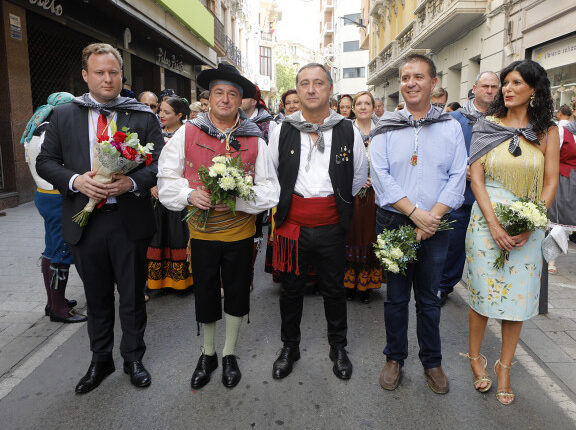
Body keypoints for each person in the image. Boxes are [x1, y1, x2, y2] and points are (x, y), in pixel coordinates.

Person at [36, 43, 164, 394]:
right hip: (84, 221)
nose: (107, 79)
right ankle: (100, 359)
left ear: (122, 75)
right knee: (96, 296)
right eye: (99, 72)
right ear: (85, 75)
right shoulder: (64, 115)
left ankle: (133, 358)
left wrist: (132, 181)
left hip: (129, 221)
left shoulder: (142, 116)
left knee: (132, 296)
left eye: (113, 72)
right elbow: (45, 162)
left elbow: (162, 166)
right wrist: (77, 181)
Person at [157, 63, 280, 389]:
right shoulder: (187, 132)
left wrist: (239, 198)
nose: (225, 99)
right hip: (202, 233)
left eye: (233, 94)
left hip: (241, 234)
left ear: (241, 100)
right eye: (219, 93)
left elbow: (270, 190)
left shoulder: (255, 139)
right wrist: (189, 193)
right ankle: (207, 353)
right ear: (208, 98)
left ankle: (229, 353)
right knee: (206, 292)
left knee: (238, 292)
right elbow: (166, 178)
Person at [370, 54, 467, 394]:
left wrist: (432, 218)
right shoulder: (385, 125)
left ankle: (432, 362)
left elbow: (458, 175)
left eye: (418, 77)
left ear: (433, 83)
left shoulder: (450, 126)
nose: (410, 83)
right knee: (395, 297)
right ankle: (394, 357)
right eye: (406, 77)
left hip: (437, 223)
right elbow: (379, 175)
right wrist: (414, 214)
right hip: (395, 220)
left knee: (429, 297)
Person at [465, 59, 559, 405]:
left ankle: (504, 367)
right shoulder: (485, 125)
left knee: (516, 301)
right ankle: (476, 358)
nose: (507, 88)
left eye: (516, 82)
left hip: (527, 226)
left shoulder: (548, 132)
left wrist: (531, 222)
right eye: (505, 82)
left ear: (533, 90)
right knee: (482, 296)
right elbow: (476, 178)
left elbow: (550, 183)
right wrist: (493, 223)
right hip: (485, 222)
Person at [269, 63, 367, 381]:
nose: (311, 89)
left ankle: (338, 347)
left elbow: (357, 177)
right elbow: (272, 174)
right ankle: (289, 347)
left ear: (330, 89)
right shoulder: (281, 129)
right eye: (304, 83)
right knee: (291, 291)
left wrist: (333, 206)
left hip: (331, 225)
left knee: (334, 290)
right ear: (297, 89)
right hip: (292, 226)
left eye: (318, 83)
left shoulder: (347, 129)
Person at [21, 92, 86, 324]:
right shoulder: (51, 130)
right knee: (60, 250)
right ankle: (58, 306)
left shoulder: (37, 128)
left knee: (52, 248)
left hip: (45, 195)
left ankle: (54, 301)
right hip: (57, 196)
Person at [438, 71, 500, 306]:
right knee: (453, 245)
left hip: (491, 195)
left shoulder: (503, 120)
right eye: (486, 86)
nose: (490, 91)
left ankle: (486, 289)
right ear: (474, 88)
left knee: (487, 246)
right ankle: (443, 286)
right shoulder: (453, 119)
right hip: (460, 196)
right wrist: (458, 169)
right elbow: (440, 154)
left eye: (495, 87)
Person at [147, 97, 193, 296]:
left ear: (179, 115)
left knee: (178, 236)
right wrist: (151, 186)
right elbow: (147, 163)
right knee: (158, 235)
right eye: (161, 111)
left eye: (166, 112)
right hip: (156, 196)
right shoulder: (153, 133)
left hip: (179, 195)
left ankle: (181, 282)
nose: (161, 115)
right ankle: (158, 281)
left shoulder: (188, 134)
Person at [344, 91, 383, 303]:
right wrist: (358, 178)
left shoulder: (382, 131)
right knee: (352, 235)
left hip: (376, 194)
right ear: (353, 108)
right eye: (359, 103)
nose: (363, 107)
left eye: (367, 103)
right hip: (353, 193)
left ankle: (367, 285)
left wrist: (373, 178)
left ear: (374, 106)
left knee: (370, 237)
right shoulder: (346, 130)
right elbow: (340, 160)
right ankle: (349, 283)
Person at [548, 104, 576, 274]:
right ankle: (551, 259)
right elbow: (552, 156)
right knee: (559, 221)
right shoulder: (561, 130)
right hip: (564, 178)